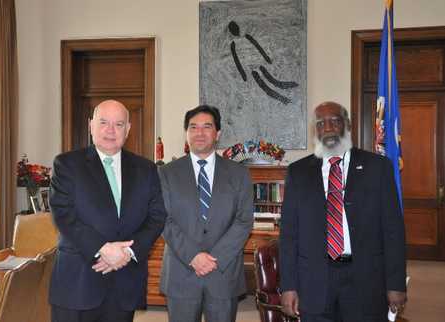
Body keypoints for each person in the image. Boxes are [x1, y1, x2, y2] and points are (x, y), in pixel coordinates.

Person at [279, 101, 407, 322]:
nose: (327, 128)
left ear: (347, 125)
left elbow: (393, 230)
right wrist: (289, 286)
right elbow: (289, 236)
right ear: (315, 130)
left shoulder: (378, 167)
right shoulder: (298, 172)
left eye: (334, 121)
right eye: (321, 123)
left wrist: (395, 283)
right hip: (315, 281)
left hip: (366, 279)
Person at [49, 100, 167, 322]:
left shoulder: (146, 169)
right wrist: (102, 248)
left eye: (119, 124)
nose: (110, 130)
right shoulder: (66, 165)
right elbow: (64, 215)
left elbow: (157, 216)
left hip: (124, 282)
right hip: (78, 282)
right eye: (103, 122)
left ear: (128, 129)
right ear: (90, 125)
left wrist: (127, 253)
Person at [158, 105, 254, 322]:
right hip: (181, 272)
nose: (199, 133)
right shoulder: (166, 173)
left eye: (207, 127)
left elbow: (244, 219)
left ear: (218, 133)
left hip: (223, 272)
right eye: (193, 127)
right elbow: (164, 219)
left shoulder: (238, 173)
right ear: (186, 133)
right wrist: (193, 256)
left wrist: (214, 259)